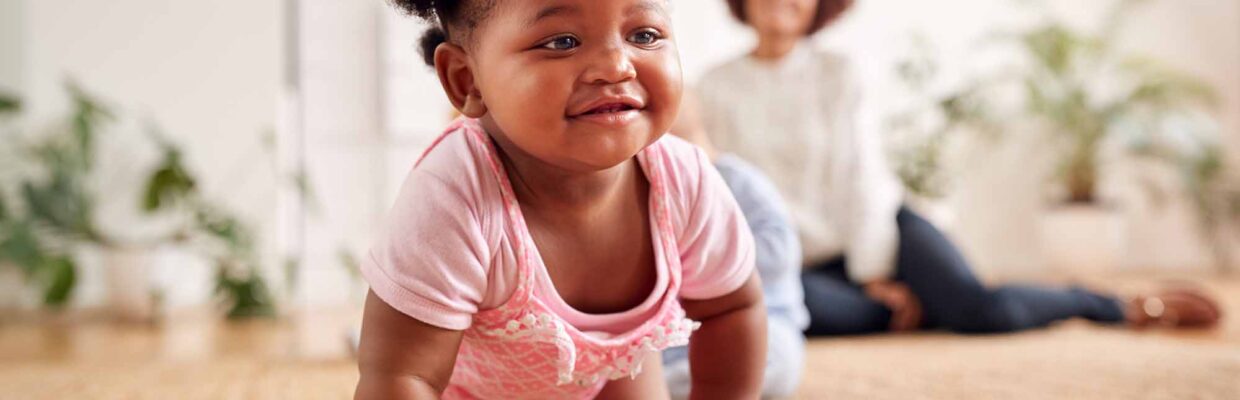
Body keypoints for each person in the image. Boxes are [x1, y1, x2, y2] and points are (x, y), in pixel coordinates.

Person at [696, 0, 1221, 336]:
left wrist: (874, 271)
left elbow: (864, 177)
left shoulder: (841, 73)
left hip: (881, 231)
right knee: (780, 313)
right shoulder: (713, 85)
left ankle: (1113, 304)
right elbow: (725, 192)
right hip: (800, 264)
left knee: (975, 309)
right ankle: (910, 309)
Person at [354, 1, 767, 399]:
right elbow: (403, 377)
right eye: (562, 42)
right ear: (467, 79)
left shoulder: (683, 180)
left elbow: (731, 309)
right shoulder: (453, 198)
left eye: (643, 35)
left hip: (612, 377)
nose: (615, 66)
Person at [663, 94, 808, 398]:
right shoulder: (654, 186)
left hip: (763, 318)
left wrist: (703, 257)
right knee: (630, 359)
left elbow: (781, 249)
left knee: (775, 363)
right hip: (674, 332)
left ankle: (668, 387)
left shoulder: (739, 179)